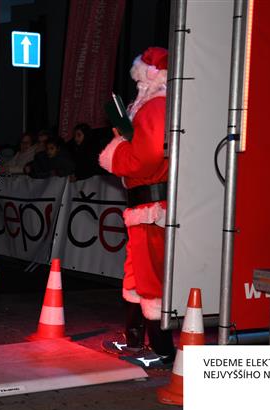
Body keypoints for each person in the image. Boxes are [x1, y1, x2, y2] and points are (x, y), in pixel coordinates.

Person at [98, 47, 175, 369]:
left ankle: (162, 349)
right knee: (136, 274)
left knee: (150, 278)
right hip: (144, 205)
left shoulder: (156, 107)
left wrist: (117, 150)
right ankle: (133, 338)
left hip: (152, 206)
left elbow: (146, 157)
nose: (138, 84)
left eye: (141, 78)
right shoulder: (155, 106)